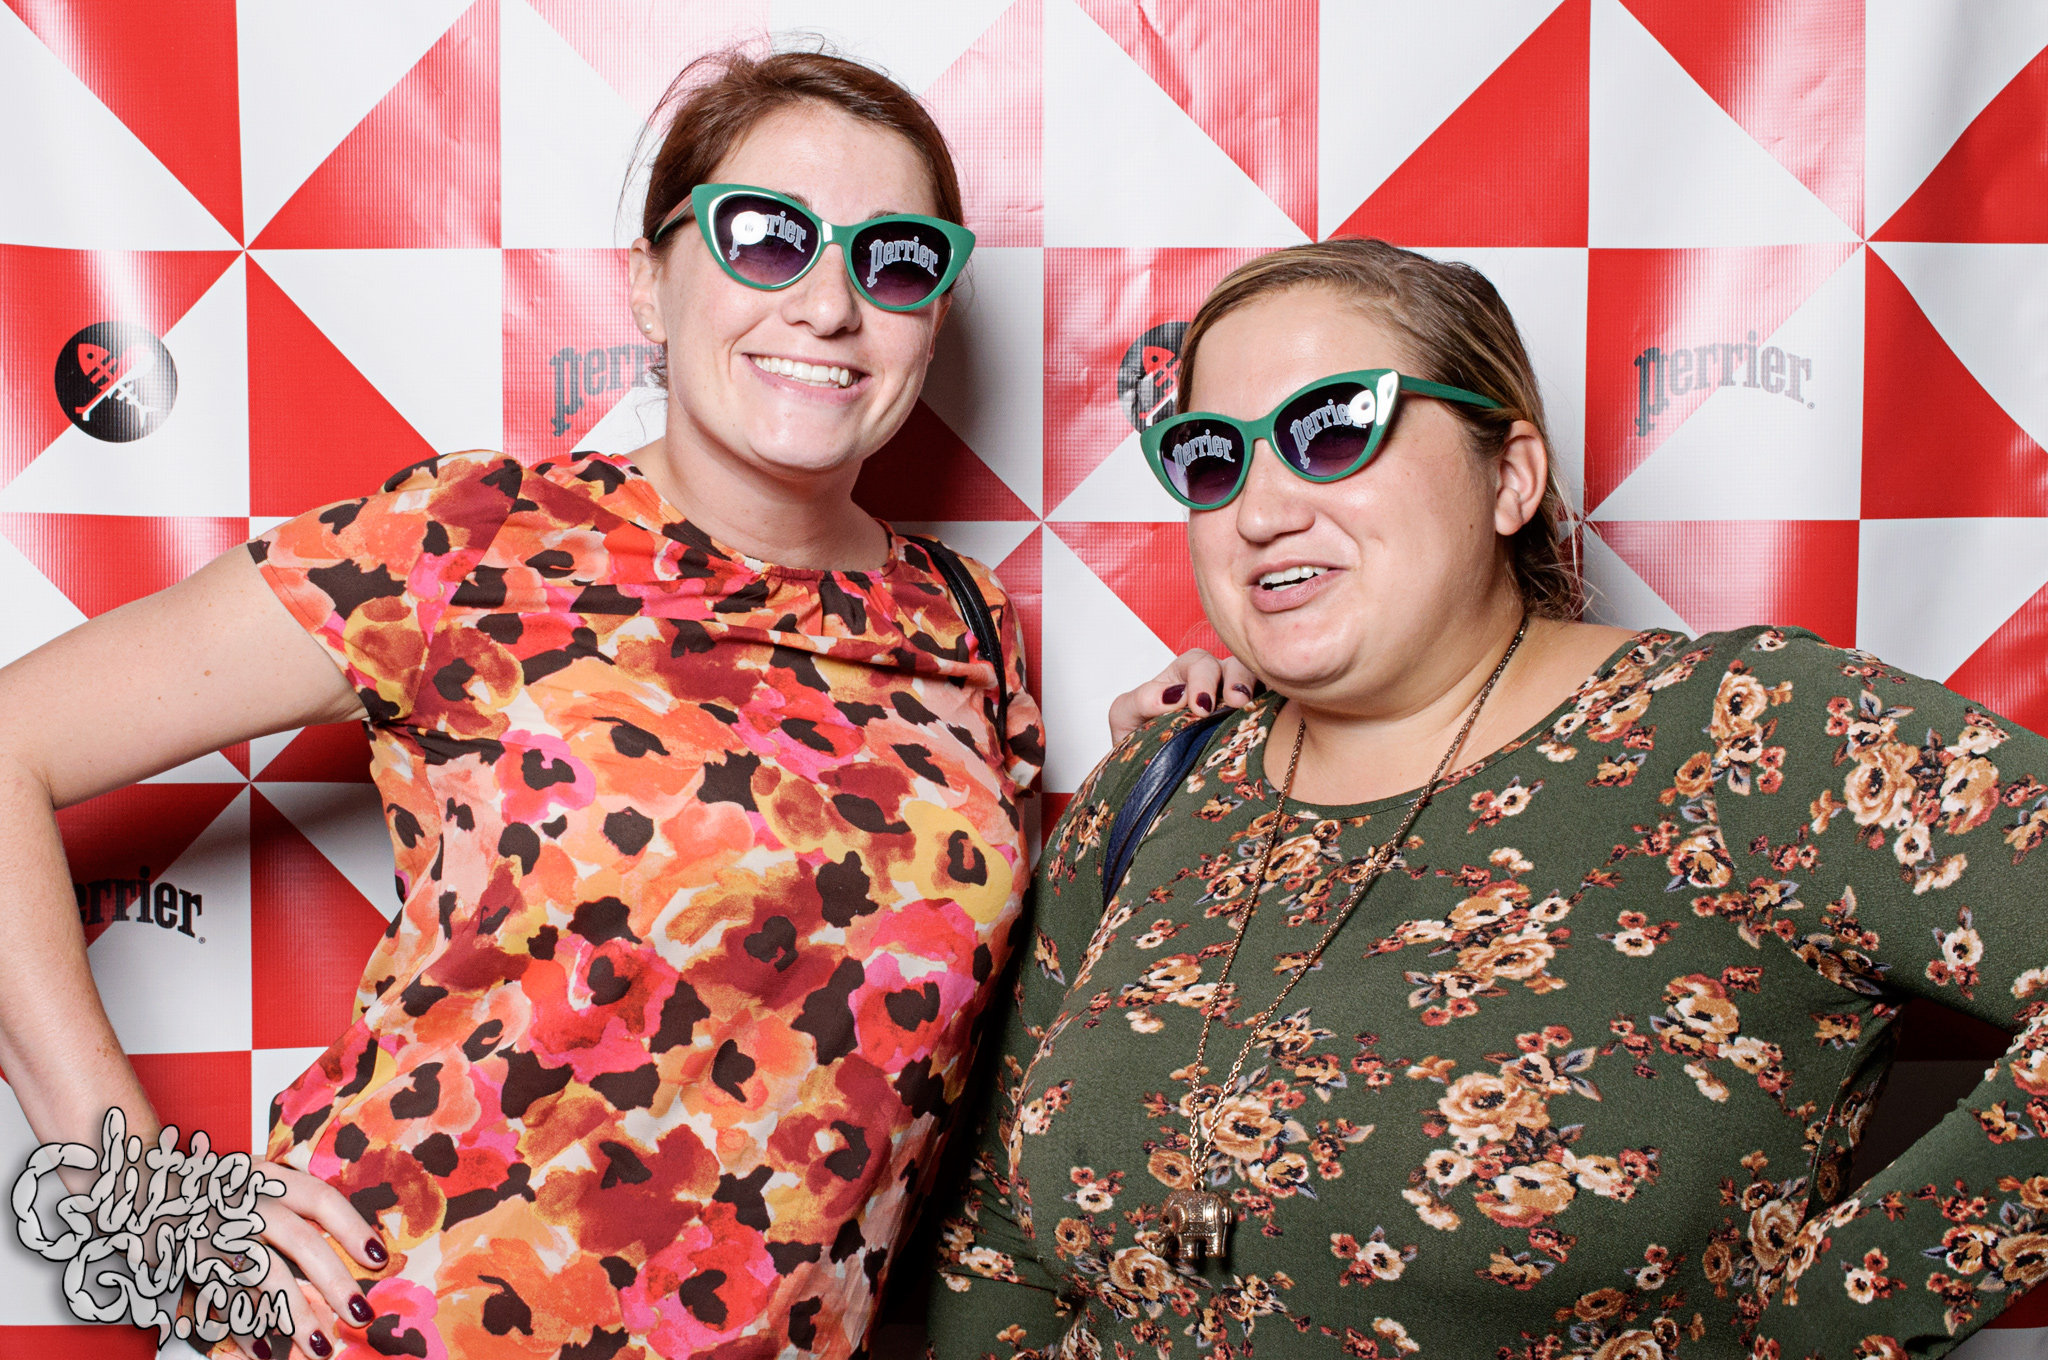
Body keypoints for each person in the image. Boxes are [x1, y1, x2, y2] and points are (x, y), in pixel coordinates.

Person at [0, 48, 1211, 1360]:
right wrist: (142, 1198)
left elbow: (961, 1034)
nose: (828, 304)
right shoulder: (478, 542)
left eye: (895, 259)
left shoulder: (966, 626)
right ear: (649, 279)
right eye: (766, 237)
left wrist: (1149, 790)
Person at [927, 236, 2048, 1359]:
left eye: (1332, 430)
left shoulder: (1740, 734)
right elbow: (997, 1239)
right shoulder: (1156, 783)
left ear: (1509, 475)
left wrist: (1815, 1328)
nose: (1258, 512)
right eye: (1212, 459)